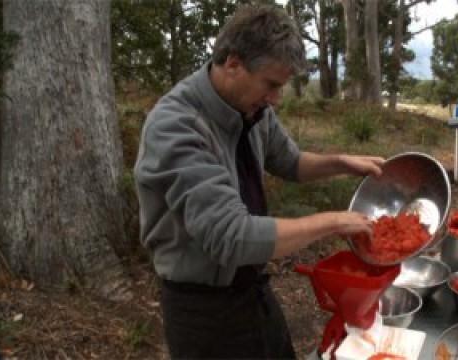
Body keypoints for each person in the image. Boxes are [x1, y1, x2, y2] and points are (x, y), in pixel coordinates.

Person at [133, 5, 384, 359]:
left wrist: (341, 163)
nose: (275, 99)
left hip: (252, 290)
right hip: (202, 310)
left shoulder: (253, 108)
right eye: (271, 85)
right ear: (233, 64)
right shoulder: (176, 126)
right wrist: (334, 221)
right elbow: (231, 237)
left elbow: (290, 161)